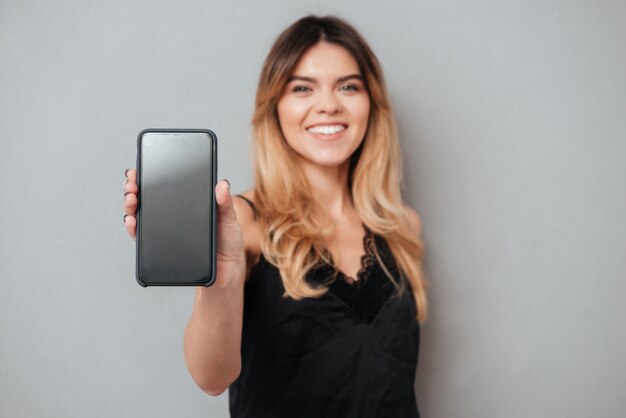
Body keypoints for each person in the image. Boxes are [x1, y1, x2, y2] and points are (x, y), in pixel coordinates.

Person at [123, 15, 427, 418]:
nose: (329, 105)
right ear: (275, 106)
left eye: (349, 86)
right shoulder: (243, 223)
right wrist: (220, 267)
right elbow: (212, 377)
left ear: (371, 103)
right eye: (302, 87)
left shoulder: (403, 226)